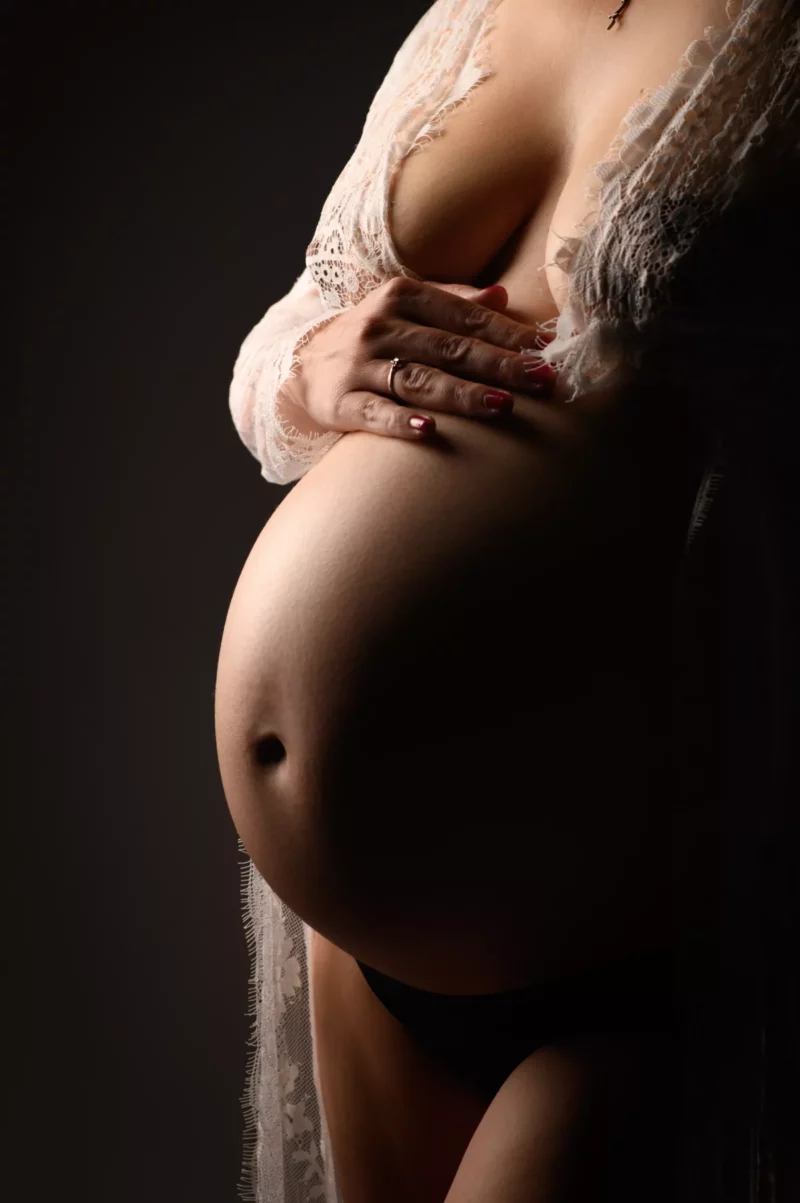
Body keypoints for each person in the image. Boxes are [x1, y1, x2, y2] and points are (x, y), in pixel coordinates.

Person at [214, 1, 800, 1201]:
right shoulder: (471, 13)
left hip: (635, 929)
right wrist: (307, 358)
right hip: (360, 942)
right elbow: (295, 327)